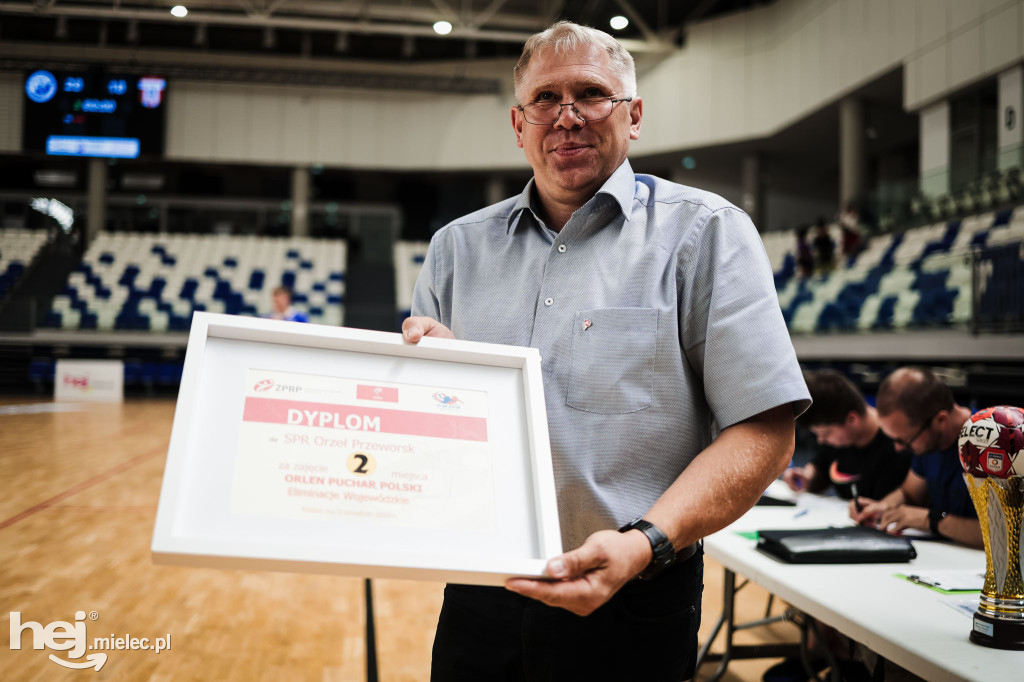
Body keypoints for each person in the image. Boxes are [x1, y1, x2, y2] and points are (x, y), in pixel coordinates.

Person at [401, 21, 810, 681]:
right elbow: (422, 437)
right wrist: (425, 389)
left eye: (591, 94)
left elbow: (764, 431)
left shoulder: (707, 235)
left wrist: (640, 543)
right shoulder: (456, 249)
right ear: (518, 122)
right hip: (483, 595)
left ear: (634, 114)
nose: (566, 117)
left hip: (637, 593)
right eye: (545, 100)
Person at [850, 367, 981, 548]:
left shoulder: (991, 444)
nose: (898, 448)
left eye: (904, 440)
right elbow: (909, 494)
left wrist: (932, 520)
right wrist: (883, 508)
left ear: (940, 420)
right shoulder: (929, 441)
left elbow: (1007, 534)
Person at [783, 369, 910, 500]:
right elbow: (821, 466)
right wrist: (807, 476)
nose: (821, 440)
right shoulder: (841, 437)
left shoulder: (898, 445)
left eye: (826, 434)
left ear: (852, 419)